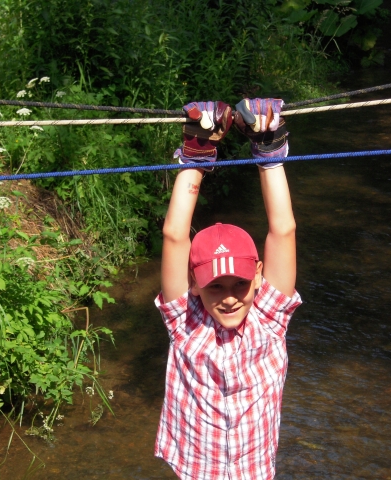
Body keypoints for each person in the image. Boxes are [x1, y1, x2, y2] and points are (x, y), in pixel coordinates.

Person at [155, 99, 302, 480]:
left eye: (240, 283)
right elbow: (174, 236)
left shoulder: (269, 318)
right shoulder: (184, 322)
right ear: (193, 283)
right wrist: (196, 156)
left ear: (258, 275)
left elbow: (283, 230)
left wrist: (269, 153)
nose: (231, 296)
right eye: (215, 286)